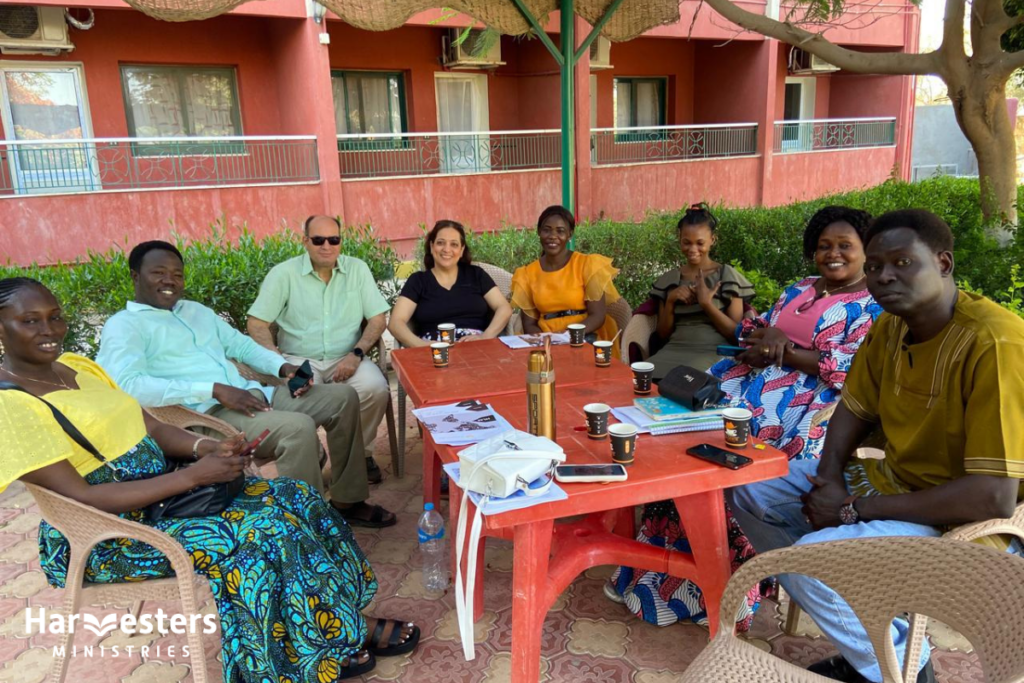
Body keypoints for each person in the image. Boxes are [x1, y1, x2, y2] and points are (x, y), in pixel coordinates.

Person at [0, 278, 419, 681]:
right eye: (30, 321)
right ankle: (301, 653)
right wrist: (192, 479)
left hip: (161, 498)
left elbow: (149, 425)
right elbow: (83, 498)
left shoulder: (76, 367)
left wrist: (208, 450)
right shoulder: (11, 405)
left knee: (296, 496)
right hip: (108, 535)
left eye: (54, 317)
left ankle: (337, 622)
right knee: (261, 532)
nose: (49, 330)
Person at [728, 209, 1024, 683]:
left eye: (903, 263)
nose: (883, 276)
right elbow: (855, 408)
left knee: (810, 567)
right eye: (875, 266)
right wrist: (827, 480)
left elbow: (993, 495)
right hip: (890, 484)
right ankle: (877, 643)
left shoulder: (995, 343)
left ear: (943, 263)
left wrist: (851, 511)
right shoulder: (891, 326)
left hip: (969, 525)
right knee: (749, 488)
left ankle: (902, 670)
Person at [610, 206, 881, 632]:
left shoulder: (875, 305)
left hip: (802, 407)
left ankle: (726, 591)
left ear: (867, 251)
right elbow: (754, 329)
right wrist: (761, 338)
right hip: (748, 383)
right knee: (684, 449)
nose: (833, 254)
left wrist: (782, 348)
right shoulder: (800, 289)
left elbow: (852, 367)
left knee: (726, 469)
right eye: (824, 245)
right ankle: (657, 574)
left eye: (845, 246)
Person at [96, 241, 396, 528]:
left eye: (177, 274)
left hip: (253, 397)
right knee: (298, 428)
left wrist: (284, 367)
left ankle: (348, 501)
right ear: (136, 276)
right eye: (158, 273)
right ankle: (310, 524)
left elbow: (242, 347)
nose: (170, 281)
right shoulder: (124, 326)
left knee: (342, 397)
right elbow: (126, 385)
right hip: (204, 416)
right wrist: (213, 389)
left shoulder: (194, 311)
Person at [247, 215, 392, 485]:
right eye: (318, 240)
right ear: (305, 241)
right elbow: (256, 324)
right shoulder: (284, 274)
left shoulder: (357, 270)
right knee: (297, 400)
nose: (327, 246)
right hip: (298, 360)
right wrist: (278, 362)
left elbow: (377, 319)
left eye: (333, 239)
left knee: (375, 389)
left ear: (340, 242)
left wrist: (356, 354)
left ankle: (361, 456)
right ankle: (312, 453)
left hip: (347, 357)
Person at [646, 203, 754, 380]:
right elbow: (662, 334)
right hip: (674, 349)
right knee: (642, 378)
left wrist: (706, 304)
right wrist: (671, 300)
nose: (692, 249)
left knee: (683, 380)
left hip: (714, 351)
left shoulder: (726, 276)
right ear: (679, 239)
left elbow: (736, 335)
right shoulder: (671, 279)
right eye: (686, 242)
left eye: (700, 243)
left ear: (713, 240)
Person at [510, 205, 621, 351]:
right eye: (546, 230)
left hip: (585, 334)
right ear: (539, 232)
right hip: (546, 339)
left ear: (570, 234)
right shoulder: (527, 274)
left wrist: (569, 335)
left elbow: (597, 315)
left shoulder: (587, 265)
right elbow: (529, 324)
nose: (552, 236)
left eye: (560, 231)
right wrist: (547, 341)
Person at [388, 219, 512, 346]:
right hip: (432, 351)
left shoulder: (476, 275)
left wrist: (485, 336)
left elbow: (504, 308)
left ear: (462, 250)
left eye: (454, 244)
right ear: (432, 247)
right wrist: (422, 346)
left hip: (476, 348)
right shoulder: (418, 281)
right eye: (440, 243)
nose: (447, 249)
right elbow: (396, 322)